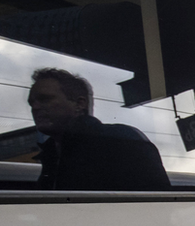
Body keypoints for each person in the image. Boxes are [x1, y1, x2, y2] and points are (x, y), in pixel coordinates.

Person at [28, 67, 171, 191]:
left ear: (80, 104)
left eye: (45, 99)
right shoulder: (51, 155)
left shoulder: (120, 141)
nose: (35, 107)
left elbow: (153, 205)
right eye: (31, 103)